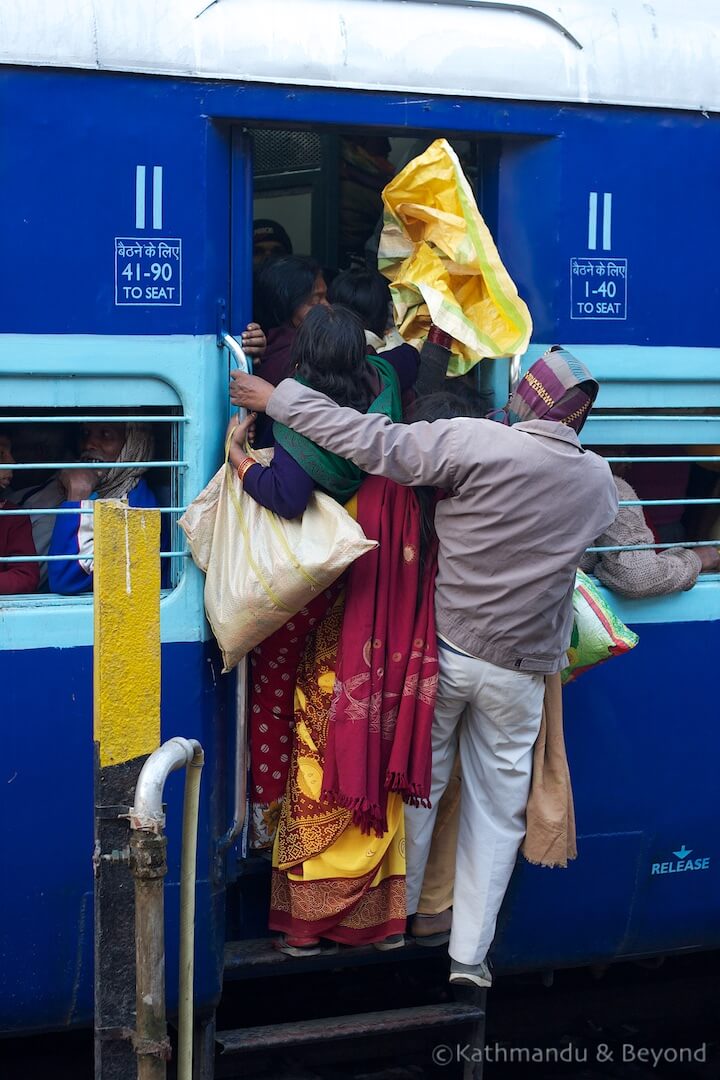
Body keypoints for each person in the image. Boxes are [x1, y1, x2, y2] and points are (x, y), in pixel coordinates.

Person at [230, 345, 618, 987]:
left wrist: (279, 398)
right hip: (521, 670)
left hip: (450, 654)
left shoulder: (478, 443)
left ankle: (398, 915)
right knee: (498, 812)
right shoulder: (598, 480)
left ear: (526, 398)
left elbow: (371, 439)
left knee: (420, 781)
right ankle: (469, 956)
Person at [227, 304, 438, 952]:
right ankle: (380, 916)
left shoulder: (303, 431)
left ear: (304, 363)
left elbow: (285, 497)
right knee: (368, 745)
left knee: (321, 742)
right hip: (384, 613)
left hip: (330, 613)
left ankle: (313, 918)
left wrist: (238, 457)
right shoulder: (383, 399)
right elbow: (401, 357)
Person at [580, 451, 720, 595]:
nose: (628, 465)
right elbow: (636, 575)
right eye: (622, 455)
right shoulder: (610, 487)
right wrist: (697, 559)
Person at [48, 421, 157, 594]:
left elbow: (65, 580)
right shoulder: (103, 490)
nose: (89, 444)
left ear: (132, 445)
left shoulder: (134, 505)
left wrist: (77, 494)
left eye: (106, 435)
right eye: (85, 433)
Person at [0, 427, 39, 594]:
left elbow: (26, 577)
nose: (12, 462)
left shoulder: (12, 516)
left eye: (10, 452)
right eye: (1, 454)